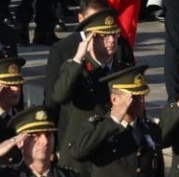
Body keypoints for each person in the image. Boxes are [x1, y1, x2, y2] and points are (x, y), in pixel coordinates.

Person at [49, 9, 133, 170]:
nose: (111, 40)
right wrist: (77, 59)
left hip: (112, 158)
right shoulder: (76, 70)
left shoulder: (122, 71)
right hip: (80, 158)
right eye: (103, 35)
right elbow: (59, 96)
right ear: (89, 39)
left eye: (114, 34)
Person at [68, 65, 165, 176]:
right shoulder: (97, 127)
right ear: (114, 99)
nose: (141, 101)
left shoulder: (151, 129)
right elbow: (78, 152)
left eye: (142, 96)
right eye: (133, 97)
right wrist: (114, 120)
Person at [0, 106, 78, 177]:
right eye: (36, 136)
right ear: (20, 142)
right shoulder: (5, 175)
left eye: (48, 135)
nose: (45, 141)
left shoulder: (69, 175)